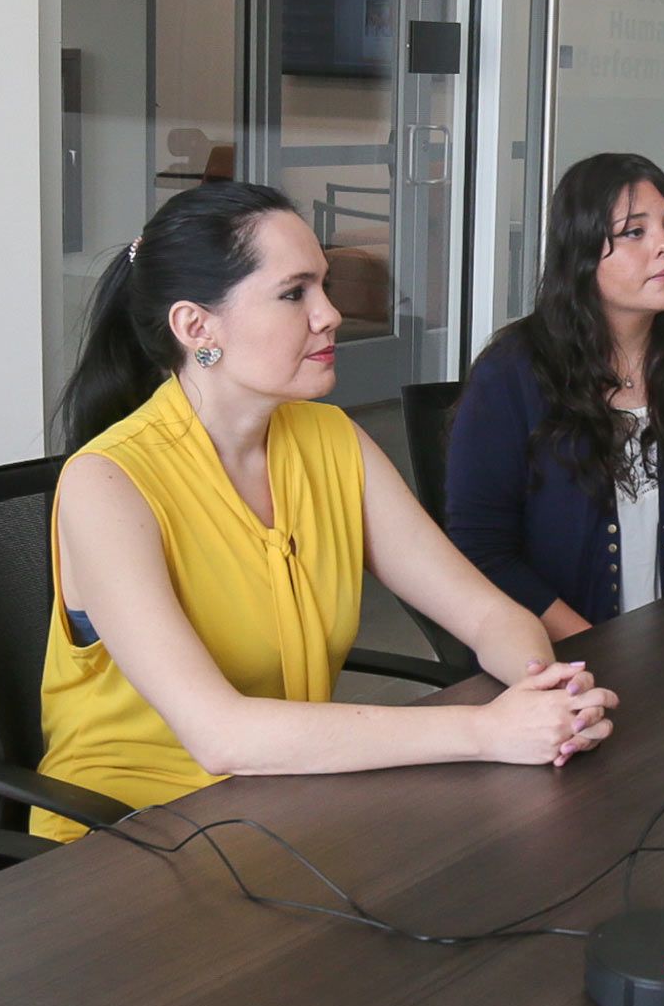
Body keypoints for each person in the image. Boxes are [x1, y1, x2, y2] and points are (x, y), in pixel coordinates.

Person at [38, 181, 615, 838]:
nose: (330, 313)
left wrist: (547, 695)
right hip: (122, 847)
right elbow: (220, 734)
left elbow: (485, 613)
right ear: (197, 327)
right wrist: (485, 729)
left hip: (281, 814)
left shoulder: (332, 439)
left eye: (325, 285)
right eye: (295, 293)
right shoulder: (107, 483)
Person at [445, 153, 664, 638]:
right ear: (581, 253)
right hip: (552, 669)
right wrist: (596, 652)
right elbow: (482, 550)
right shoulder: (511, 375)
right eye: (634, 232)